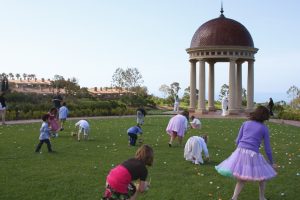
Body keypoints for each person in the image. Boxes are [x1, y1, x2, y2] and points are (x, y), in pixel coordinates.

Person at [215, 106, 277, 200]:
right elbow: (267, 148)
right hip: (252, 153)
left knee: (242, 179)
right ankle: (261, 197)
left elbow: (237, 140)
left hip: (240, 151)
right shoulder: (264, 128)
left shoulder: (246, 123)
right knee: (262, 176)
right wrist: (272, 162)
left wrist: (239, 151)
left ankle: (234, 198)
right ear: (265, 117)